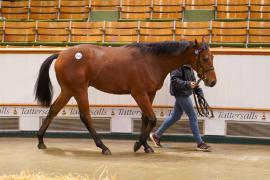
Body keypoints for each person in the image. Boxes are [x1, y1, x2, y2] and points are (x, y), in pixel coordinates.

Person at [150, 65, 211, 151]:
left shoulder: (189, 68)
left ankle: (156, 135)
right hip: (180, 94)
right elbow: (174, 81)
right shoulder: (178, 65)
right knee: (193, 116)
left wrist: (200, 94)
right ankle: (200, 143)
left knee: (175, 116)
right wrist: (188, 84)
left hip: (185, 93)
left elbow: (195, 84)